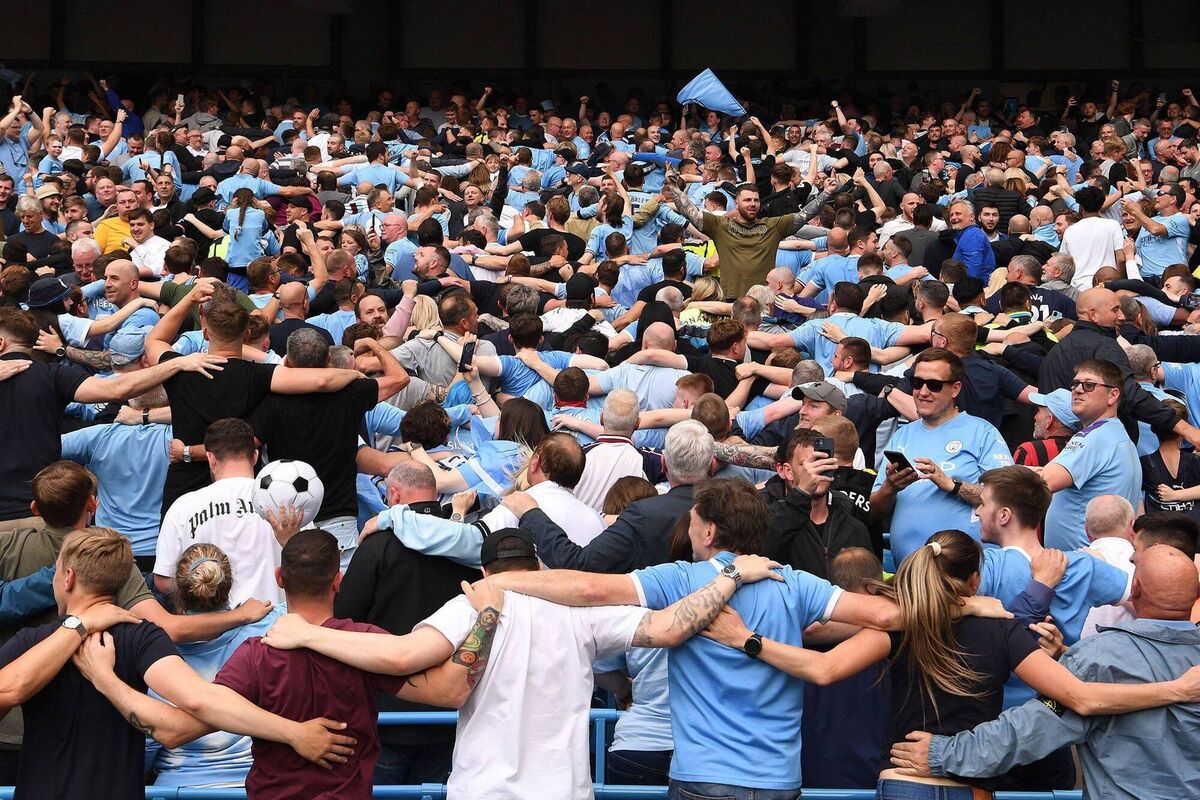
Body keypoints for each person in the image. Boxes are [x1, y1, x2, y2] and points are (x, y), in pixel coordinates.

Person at [262, 523, 782, 800]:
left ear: (486, 569)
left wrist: (308, 634)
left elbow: (400, 656)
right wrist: (730, 576)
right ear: (538, 565)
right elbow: (671, 627)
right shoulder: (577, 612)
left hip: (481, 791)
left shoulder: (471, 601)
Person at [2, 526, 356, 800]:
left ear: (68, 578)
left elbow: (191, 712)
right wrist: (292, 732)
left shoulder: (33, 642)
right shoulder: (142, 638)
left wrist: (88, 649)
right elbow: (197, 705)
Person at [889, 545, 1200, 800]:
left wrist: (943, 752)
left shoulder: (1099, 660)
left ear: (1135, 588)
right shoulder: (1096, 660)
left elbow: (1024, 733)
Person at [0, 306, 224, 529]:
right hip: (41, 516)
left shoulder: (94, 432)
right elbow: (118, 389)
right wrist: (176, 363)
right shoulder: (52, 376)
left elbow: (116, 389)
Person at [335, 462, 482, 786]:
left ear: (393, 494)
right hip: (450, 710)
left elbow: (345, 620)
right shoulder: (468, 548)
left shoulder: (377, 543)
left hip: (387, 713)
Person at [146, 544, 285, 789]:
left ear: (177, 589)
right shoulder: (272, 625)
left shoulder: (154, 651)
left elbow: (147, 745)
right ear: (228, 585)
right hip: (255, 784)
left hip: (176, 788)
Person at [870, 349, 1014, 564]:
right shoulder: (902, 434)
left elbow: (1007, 498)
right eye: (917, 383)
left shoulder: (982, 432)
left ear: (955, 388)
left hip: (962, 574)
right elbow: (874, 510)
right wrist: (890, 487)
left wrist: (951, 485)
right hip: (910, 574)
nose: (923, 392)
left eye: (934, 385)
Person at [154, 419, 297, 607]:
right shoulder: (287, 501)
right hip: (278, 626)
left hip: (213, 628)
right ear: (254, 456)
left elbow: (163, 579)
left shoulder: (183, 506)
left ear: (211, 459)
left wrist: (204, 588)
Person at [1042, 359, 1142, 550]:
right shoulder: (1117, 436)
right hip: (1098, 560)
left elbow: (1044, 482)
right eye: (1075, 384)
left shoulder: (1095, 436)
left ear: (1113, 395)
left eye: (1089, 385)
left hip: (1082, 565)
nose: (1077, 390)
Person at [763, 428, 874, 580]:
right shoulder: (770, 519)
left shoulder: (854, 527)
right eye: (808, 464)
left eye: (822, 463)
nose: (817, 470)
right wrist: (802, 493)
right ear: (788, 471)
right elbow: (766, 555)